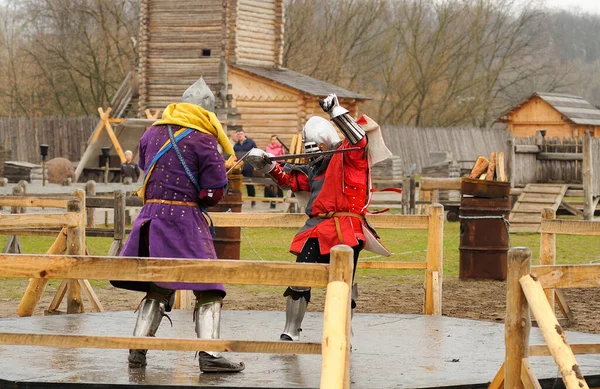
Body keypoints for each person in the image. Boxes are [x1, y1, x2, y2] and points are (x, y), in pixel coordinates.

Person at [111, 76, 245, 373]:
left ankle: (137, 349)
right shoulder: (205, 140)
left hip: (150, 218)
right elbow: (210, 195)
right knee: (210, 289)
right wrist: (220, 176)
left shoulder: (150, 134)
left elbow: (151, 172)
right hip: (184, 222)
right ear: (207, 113)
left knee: (159, 286)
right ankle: (209, 353)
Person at [246, 94, 391, 341]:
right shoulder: (314, 170)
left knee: (344, 281)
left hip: (347, 227)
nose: (312, 157)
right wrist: (266, 165)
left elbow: (359, 138)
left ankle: (343, 332)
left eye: (317, 150)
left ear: (327, 144)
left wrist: (336, 111)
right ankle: (290, 331)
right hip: (317, 227)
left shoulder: (351, 157)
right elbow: (290, 180)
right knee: (300, 275)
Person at [233, 129, 257, 207]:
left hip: (248, 166)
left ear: (244, 134)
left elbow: (256, 153)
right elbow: (234, 156)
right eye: (238, 134)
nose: (240, 135)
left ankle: (252, 200)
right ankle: (238, 199)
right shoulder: (236, 146)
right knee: (238, 184)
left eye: (241, 134)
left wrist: (254, 165)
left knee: (249, 184)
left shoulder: (251, 143)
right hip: (239, 167)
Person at [264, 135, 285, 209]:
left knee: (275, 184)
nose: (274, 141)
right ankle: (271, 197)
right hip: (268, 168)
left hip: (276, 167)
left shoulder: (281, 148)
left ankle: (273, 201)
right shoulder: (267, 148)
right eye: (272, 139)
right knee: (268, 185)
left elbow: (282, 159)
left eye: (275, 139)